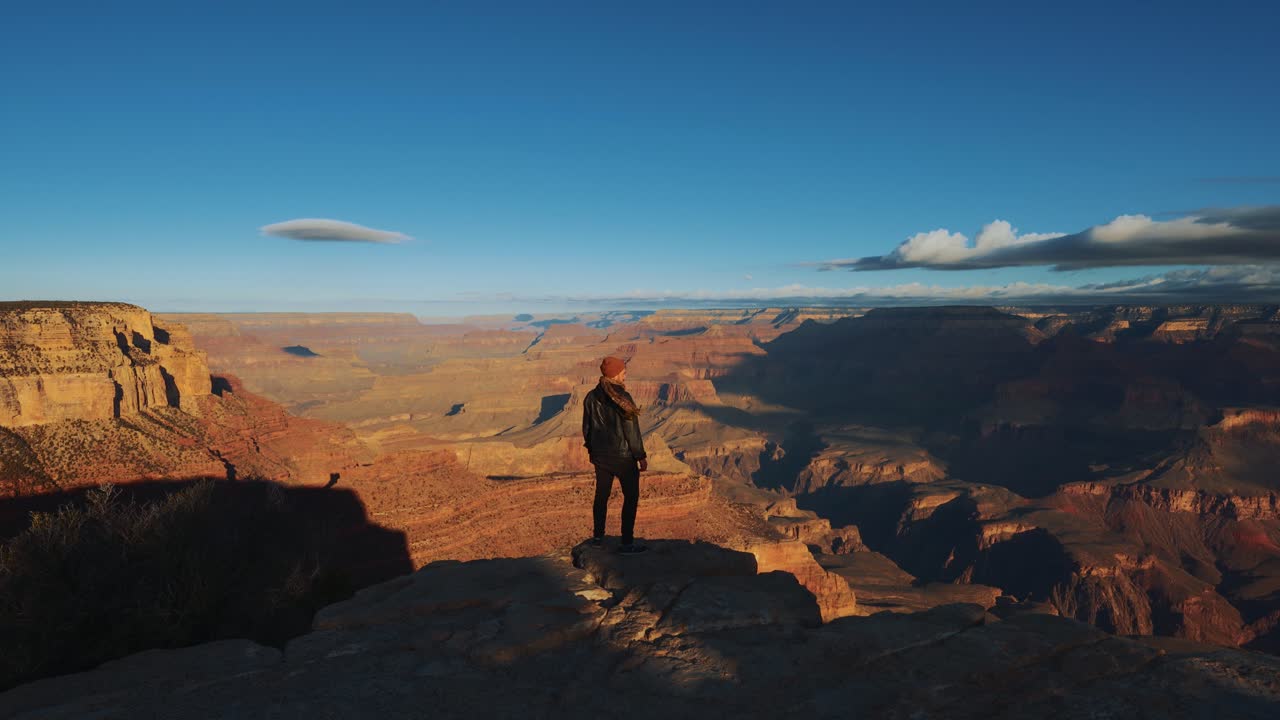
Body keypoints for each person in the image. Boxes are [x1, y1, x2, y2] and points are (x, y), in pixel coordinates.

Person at [582, 355, 648, 554]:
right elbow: (631, 430)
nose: (625, 374)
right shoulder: (623, 399)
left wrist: (593, 450)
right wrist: (640, 455)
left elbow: (587, 428)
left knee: (601, 496)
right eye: (623, 371)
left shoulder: (590, 397)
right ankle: (627, 543)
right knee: (630, 497)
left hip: (601, 456)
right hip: (623, 457)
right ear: (616, 374)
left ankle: (597, 538)